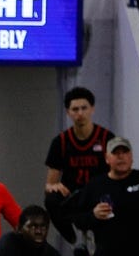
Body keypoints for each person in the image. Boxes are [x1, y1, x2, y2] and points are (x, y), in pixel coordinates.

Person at [43, 87, 115, 245]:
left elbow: (116, 172)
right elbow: (50, 183)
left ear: (92, 109)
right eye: (75, 109)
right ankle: (72, 238)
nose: (80, 113)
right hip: (74, 195)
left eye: (84, 108)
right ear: (68, 112)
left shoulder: (106, 137)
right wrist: (53, 187)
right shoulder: (60, 142)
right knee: (51, 200)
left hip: (99, 193)